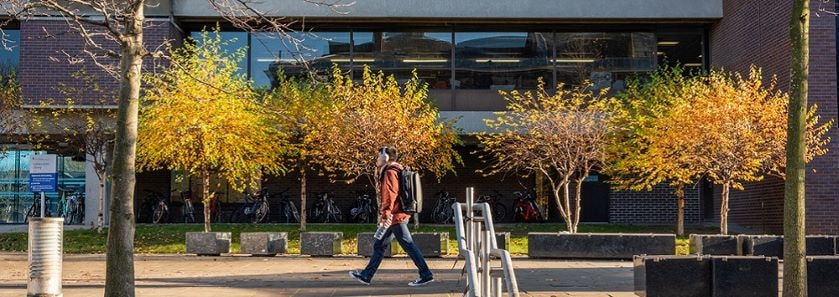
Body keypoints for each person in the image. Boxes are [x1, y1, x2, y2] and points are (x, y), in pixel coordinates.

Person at [349, 147, 434, 287]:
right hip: (397, 214)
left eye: (378, 156)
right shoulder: (397, 170)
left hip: (395, 215)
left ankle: (426, 274)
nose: (376, 159)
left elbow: (390, 194)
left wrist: (385, 214)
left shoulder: (390, 172)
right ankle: (366, 275)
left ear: (386, 157)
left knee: (408, 244)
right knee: (380, 245)